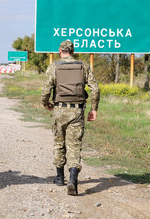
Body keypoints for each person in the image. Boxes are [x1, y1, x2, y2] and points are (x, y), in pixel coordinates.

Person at [41, 40, 100, 196]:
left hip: (59, 110)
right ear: (73, 51)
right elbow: (95, 89)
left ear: (60, 51)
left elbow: (46, 89)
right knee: (74, 146)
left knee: (59, 143)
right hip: (77, 111)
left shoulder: (54, 66)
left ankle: (60, 178)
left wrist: (45, 103)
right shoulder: (84, 66)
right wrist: (94, 109)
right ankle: (73, 180)